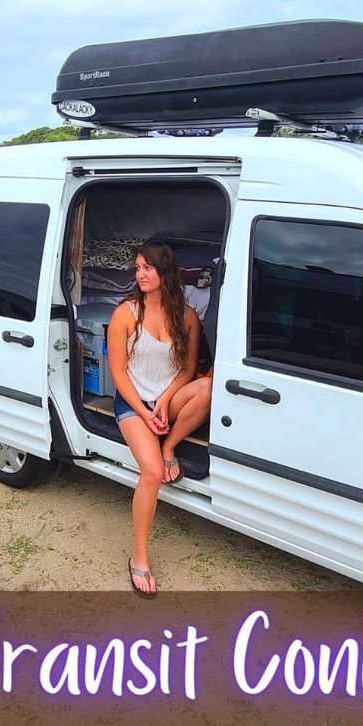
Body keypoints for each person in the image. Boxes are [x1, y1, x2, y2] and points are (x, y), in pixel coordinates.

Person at [107, 243, 204, 597]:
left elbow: (189, 370)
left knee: (206, 389)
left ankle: (170, 446)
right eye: (137, 268)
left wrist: (163, 402)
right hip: (133, 403)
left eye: (148, 268)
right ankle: (139, 558)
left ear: (166, 273)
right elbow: (118, 373)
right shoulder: (125, 314)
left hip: (167, 398)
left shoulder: (188, 317)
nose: (140, 274)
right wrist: (147, 412)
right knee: (150, 473)